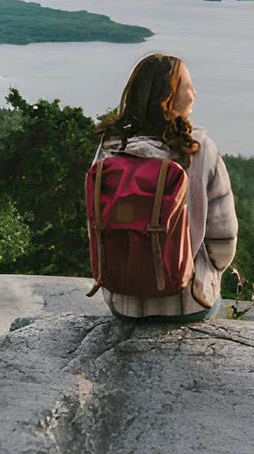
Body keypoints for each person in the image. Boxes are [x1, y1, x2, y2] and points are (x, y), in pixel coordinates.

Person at [93, 53, 238, 321]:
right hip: (189, 303)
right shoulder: (200, 149)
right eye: (187, 88)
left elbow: (97, 225)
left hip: (123, 301)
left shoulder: (109, 149)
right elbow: (224, 239)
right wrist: (208, 274)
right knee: (223, 316)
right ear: (169, 99)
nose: (194, 94)